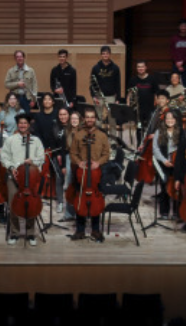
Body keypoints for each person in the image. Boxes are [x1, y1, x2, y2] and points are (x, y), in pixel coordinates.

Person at [0, 113, 45, 246]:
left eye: (25, 123)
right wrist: (12, 167)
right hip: (13, 176)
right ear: (17, 124)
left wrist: (33, 161)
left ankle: (30, 233)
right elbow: (4, 157)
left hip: (31, 177)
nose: (23, 125)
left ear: (29, 125)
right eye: (20, 123)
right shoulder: (10, 140)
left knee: (32, 203)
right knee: (14, 203)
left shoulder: (36, 140)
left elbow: (41, 157)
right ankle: (14, 233)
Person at [69, 108, 110, 242]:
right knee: (80, 198)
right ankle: (80, 230)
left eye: (92, 117)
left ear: (95, 119)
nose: (90, 119)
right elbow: (73, 153)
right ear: (84, 119)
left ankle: (95, 230)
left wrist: (98, 163)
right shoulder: (79, 135)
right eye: (87, 117)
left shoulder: (102, 136)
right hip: (81, 172)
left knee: (96, 200)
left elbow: (106, 154)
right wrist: (79, 162)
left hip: (97, 171)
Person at [153, 110, 181, 219]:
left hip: (176, 164)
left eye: (172, 118)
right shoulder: (159, 132)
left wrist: (176, 160)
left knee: (176, 188)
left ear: (176, 119)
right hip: (164, 163)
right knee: (164, 187)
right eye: (167, 118)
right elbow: (155, 149)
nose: (170, 121)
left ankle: (176, 212)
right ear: (164, 120)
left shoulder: (181, 132)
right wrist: (164, 160)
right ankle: (164, 212)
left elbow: (183, 148)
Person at [90, 46, 121, 129]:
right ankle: (98, 138)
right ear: (101, 55)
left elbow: (118, 84)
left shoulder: (115, 68)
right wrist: (93, 96)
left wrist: (118, 98)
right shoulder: (95, 68)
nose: (105, 55)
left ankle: (112, 140)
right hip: (98, 97)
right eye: (103, 54)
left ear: (110, 54)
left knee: (112, 119)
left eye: (107, 54)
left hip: (111, 97)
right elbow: (92, 84)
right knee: (98, 118)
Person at [127, 60, 159, 127]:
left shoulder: (152, 79)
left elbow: (156, 94)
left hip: (150, 109)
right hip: (138, 110)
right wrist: (128, 106)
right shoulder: (133, 80)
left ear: (145, 67)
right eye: (138, 67)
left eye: (142, 67)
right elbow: (129, 94)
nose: (140, 68)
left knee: (149, 129)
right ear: (136, 68)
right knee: (139, 128)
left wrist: (156, 107)